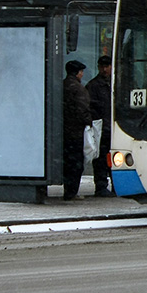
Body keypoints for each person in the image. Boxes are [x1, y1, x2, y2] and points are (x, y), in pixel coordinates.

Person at [86, 55, 115, 198]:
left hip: (113, 127)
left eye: (107, 66)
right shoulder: (94, 86)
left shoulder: (116, 82)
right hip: (102, 128)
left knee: (114, 158)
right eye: (102, 67)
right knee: (101, 159)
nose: (104, 69)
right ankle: (101, 185)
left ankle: (115, 184)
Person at [62, 59, 91, 201]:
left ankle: (68, 189)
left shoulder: (62, 85)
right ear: (78, 73)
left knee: (67, 162)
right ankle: (71, 191)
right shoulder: (79, 89)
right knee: (76, 163)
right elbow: (83, 110)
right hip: (76, 132)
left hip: (63, 131)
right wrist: (89, 122)